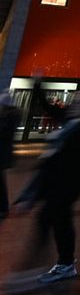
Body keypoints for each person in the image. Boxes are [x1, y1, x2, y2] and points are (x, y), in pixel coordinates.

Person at [13, 91, 80, 284]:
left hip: (72, 180)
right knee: (60, 218)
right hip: (56, 177)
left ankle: (46, 265)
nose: (74, 105)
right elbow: (50, 108)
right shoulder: (71, 120)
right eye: (74, 101)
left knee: (48, 216)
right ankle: (64, 263)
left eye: (79, 103)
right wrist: (38, 86)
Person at [0, 90, 19, 220]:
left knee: (1, 183)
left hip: (2, 154)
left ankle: (3, 207)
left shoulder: (8, 118)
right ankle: (3, 207)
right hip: (3, 154)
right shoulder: (8, 117)